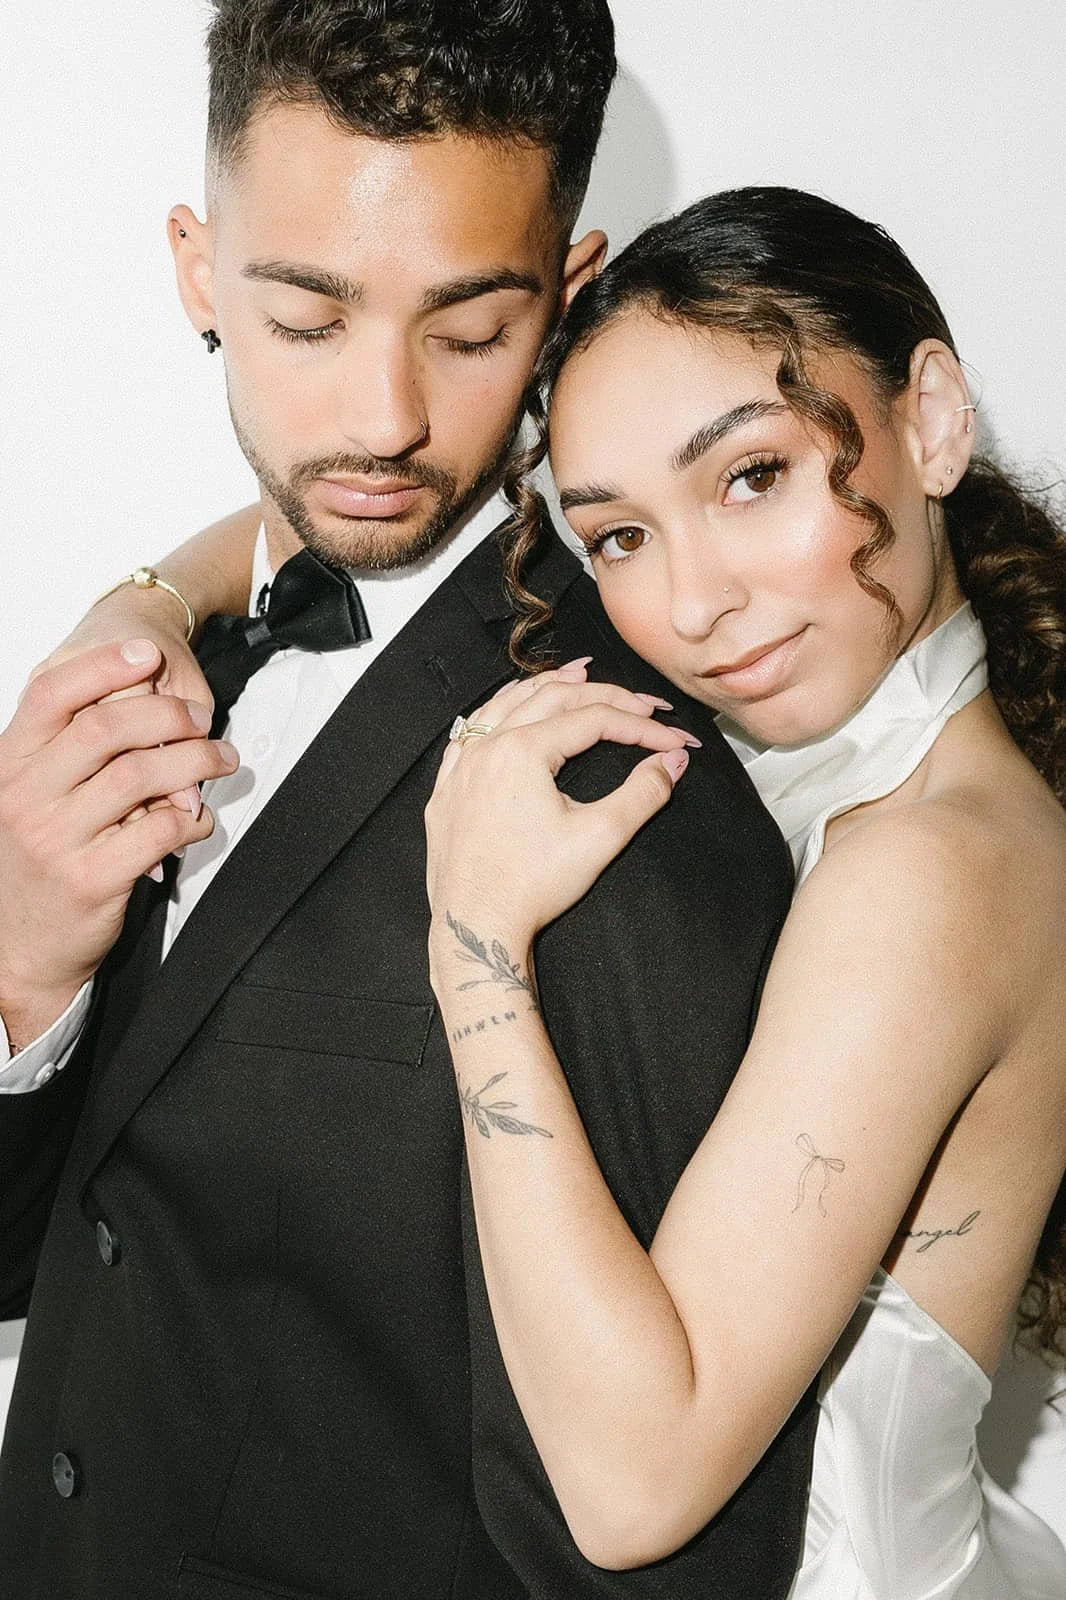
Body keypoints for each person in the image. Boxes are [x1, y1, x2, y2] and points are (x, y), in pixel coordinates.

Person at [0, 8, 817, 1599]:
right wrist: (23, 976)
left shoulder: (622, 799)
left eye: (465, 330)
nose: (379, 420)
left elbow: (648, 1539)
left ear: (566, 295)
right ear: (195, 270)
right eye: (304, 318)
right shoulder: (175, 652)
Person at [419, 187, 1066, 1597]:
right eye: (619, 538)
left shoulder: (924, 869)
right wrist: (155, 598)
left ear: (931, 418)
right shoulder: (891, 784)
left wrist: (471, 943)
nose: (693, 603)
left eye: (752, 475)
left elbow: (632, 1488)